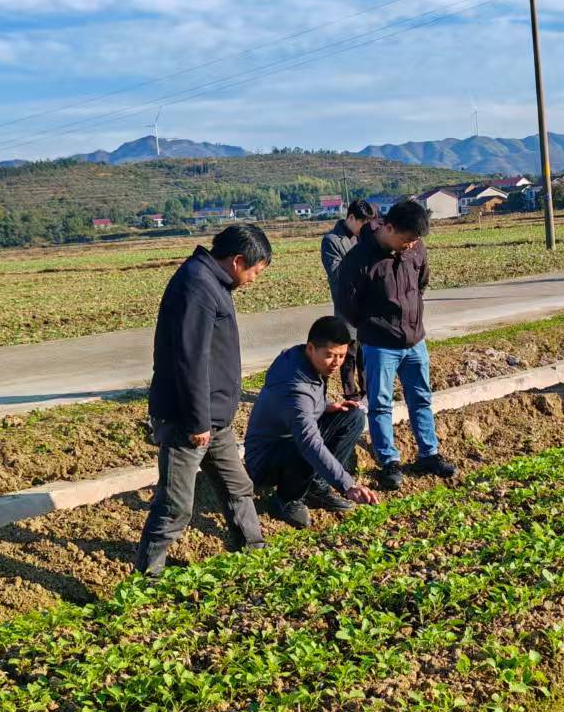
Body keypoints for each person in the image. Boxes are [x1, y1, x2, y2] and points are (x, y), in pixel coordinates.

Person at [135, 223, 273, 574]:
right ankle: (148, 576)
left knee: (237, 487)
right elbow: (190, 360)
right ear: (238, 261)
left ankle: (253, 547)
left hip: (215, 416)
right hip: (189, 420)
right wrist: (197, 421)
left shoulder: (212, 281)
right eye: (256, 271)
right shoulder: (197, 285)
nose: (255, 279)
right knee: (176, 504)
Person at [334, 198, 457, 491]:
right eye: (406, 240)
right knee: (380, 405)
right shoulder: (360, 259)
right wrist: (374, 326)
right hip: (379, 346)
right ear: (388, 227)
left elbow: (422, 283)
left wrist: (411, 318)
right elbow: (348, 305)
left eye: (415, 241)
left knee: (421, 399)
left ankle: (429, 454)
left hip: (415, 341)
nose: (411, 246)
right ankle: (389, 462)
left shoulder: (416, 249)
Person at [244, 315, 381, 528]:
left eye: (342, 356)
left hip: (289, 442)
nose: (336, 363)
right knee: (305, 446)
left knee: (352, 417)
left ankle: (316, 487)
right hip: (266, 461)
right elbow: (309, 440)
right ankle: (285, 499)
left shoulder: (303, 361)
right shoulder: (294, 385)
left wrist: (325, 406)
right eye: (330, 355)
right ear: (311, 348)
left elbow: (310, 393)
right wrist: (347, 485)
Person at [319, 199, 377, 399]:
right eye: (363, 224)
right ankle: (351, 395)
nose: (365, 229)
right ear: (351, 217)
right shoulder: (332, 241)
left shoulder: (365, 237)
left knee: (366, 355)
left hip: (367, 307)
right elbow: (337, 275)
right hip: (347, 307)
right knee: (349, 355)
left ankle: (368, 392)